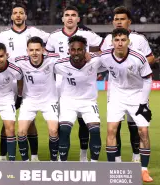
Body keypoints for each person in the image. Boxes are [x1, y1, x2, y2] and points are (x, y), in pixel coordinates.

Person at [46, 5, 103, 162]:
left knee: (86, 125)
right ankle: (58, 159)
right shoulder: (54, 37)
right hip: (62, 86)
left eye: (73, 15)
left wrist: (93, 54)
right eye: (67, 15)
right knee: (61, 127)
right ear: (63, 18)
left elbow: (106, 48)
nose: (70, 17)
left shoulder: (87, 35)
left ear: (78, 19)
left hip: (86, 94)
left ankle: (84, 156)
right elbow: (46, 60)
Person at [0, 3, 50, 161]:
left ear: (25, 16)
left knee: (30, 121)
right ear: (12, 16)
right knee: (8, 121)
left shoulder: (34, 32)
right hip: (10, 83)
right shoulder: (4, 35)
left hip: (30, 83)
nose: (18, 15)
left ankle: (33, 156)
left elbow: (52, 40)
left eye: (21, 13)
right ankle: (3, 156)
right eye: (15, 13)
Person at [100, 6, 155, 163]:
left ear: (129, 22)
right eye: (116, 19)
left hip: (136, 89)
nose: (118, 22)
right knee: (114, 126)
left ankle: (136, 156)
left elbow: (151, 58)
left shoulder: (139, 40)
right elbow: (103, 60)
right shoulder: (107, 41)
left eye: (122, 19)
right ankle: (116, 159)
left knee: (135, 125)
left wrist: (135, 65)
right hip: (116, 89)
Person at [54, 35, 104, 162]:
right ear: (69, 50)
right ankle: (62, 163)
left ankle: (93, 165)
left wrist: (94, 54)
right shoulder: (60, 64)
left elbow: (110, 52)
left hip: (88, 102)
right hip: (68, 101)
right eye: (73, 49)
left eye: (79, 50)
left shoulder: (95, 61)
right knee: (64, 129)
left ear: (85, 50)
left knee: (95, 131)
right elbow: (43, 61)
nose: (76, 52)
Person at [15, 36, 60, 161]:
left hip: (49, 100)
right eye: (31, 50)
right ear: (27, 51)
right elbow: (0, 59)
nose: (34, 53)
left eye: (37, 50)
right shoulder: (20, 61)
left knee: (53, 131)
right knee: (21, 132)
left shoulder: (53, 59)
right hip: (29, 101)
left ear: (43, 50)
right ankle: (26, 162)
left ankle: (53, 161)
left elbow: (71, 57)